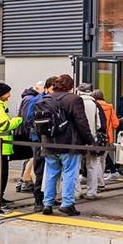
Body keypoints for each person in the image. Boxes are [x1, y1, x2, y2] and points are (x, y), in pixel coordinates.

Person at [41, 74, 95, 216]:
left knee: (51, 174)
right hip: (69, 143)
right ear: (71, 86)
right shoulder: (74, 99)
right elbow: (81, 122)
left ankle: (47, 203)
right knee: (69, 174)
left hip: (49, 143)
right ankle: (67, 204)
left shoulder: (47, 98)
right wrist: (90, 140)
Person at [26, 76, 56, 211]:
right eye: (53, 89)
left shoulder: (44, 100)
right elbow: (28, 118)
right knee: (40, 169)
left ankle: (46, 198)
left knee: (48, 169)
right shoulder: (37, 100)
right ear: (47, 88)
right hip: (40, 139)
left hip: (45, 138)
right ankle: (38, 199)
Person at [77, 83, 107, 199]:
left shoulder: (76, 102)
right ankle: (92, 192)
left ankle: (76, 191)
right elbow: (99, 124)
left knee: (75, 167)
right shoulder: (95, 104)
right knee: (92, 166)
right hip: (92, 139)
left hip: (78, 140)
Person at [16, 82, 43, 193]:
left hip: (27, 131)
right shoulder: (32, 98)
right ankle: (26, 182)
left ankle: (24, 182)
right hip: (30, 133)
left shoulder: (27, 97)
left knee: (31, 158)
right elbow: (28, 117)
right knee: (32, 158)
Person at [93, 89, 120, 180]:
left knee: (96, 160)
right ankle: (101, 180)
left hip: (96, 137)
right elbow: (116, 123)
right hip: (107, 137)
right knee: (103, 160)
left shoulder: (94, 106)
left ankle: (99, 181)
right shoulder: (110, 107)